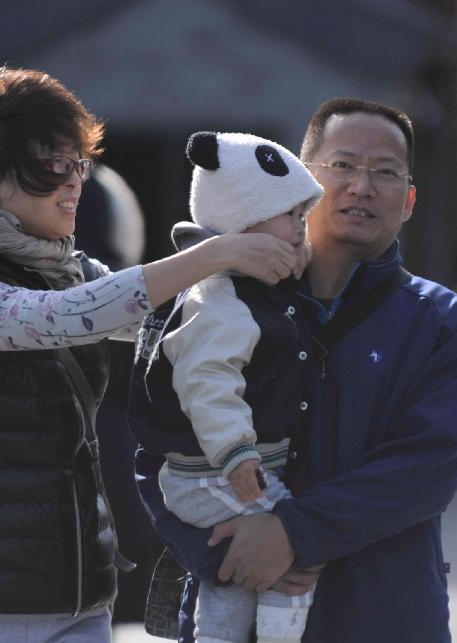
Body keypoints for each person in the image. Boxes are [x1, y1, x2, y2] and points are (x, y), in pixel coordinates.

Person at [0, 67, 304, 643]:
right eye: (54, 167)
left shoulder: (67, 270)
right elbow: (61, 317)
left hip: (77, 600)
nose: (76, 182)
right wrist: (216, 254)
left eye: (80, 164)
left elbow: (168, 320)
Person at [133, 98, 457, 642]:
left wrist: (292, 535)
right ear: (301, 182)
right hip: (234, 601)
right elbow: (158, 441)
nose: (362, 187)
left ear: (410, 199)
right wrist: (227, 550)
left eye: (386, 172)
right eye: (342, 166)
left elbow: (425, 468)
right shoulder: (216, 298)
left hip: (385, 614)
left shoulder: (445, 323)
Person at [131, 131, 323, 643]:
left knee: (232, 572)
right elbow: (207, 381)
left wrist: (292, 257)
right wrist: (236, 451)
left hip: (215, 471)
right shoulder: (217, 297)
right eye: (291, 217)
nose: (302, 230)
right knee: (290, 541)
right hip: (215, 470)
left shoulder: (248, 285)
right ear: (243, 220)